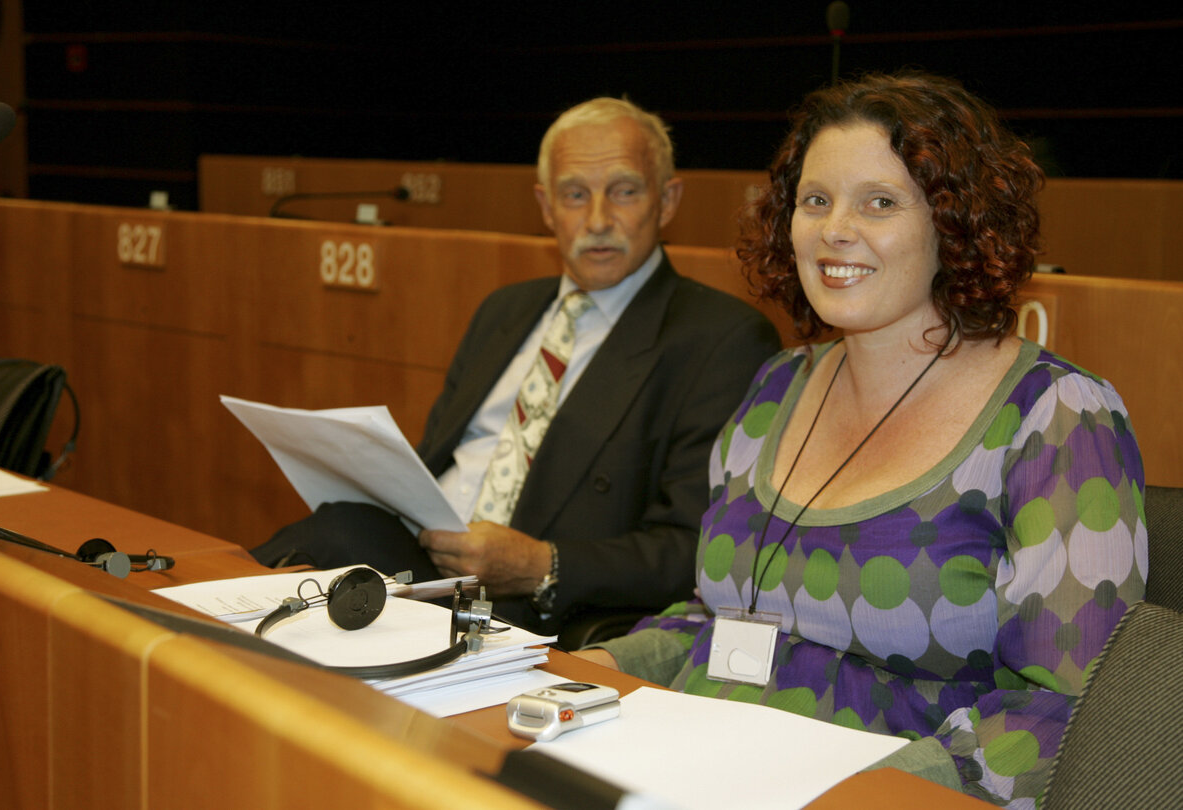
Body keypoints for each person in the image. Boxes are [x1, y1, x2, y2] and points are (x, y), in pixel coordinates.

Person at [577, 72, 1146, 806]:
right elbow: (712, 622)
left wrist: (838, 797)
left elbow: (1061, 716)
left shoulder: (1058, 415)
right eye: (815, 201)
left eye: (878, 202)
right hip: (687, 766)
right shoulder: (775, 388)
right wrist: (577, 672)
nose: (834, 228)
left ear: (953, 222)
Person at [251, 97, 782, 637]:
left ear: (667, 201)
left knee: (326, 556)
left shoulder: (722, 340)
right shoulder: (504, 311)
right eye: (575, 195)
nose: (598, 220)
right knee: (330, 535)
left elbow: (693, 547)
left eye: (624, 191)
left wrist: (542, 566)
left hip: (529, 612)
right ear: (547, 206)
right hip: (415, 565)